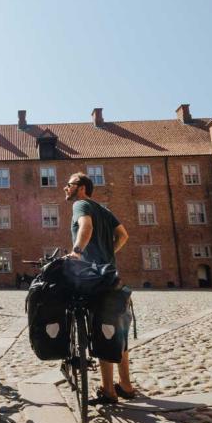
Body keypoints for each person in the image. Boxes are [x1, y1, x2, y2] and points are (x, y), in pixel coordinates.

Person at [64, 172, 135, 404]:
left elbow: (86, 226)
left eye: (69, 184)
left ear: (81, 187)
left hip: (93, 277)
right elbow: (123, 235)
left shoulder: (81, 204)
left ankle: (108, 391)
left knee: (100, 328)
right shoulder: (104, 209)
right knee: (118, 330)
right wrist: (109, 253)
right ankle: (125, 386)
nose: (65, 188)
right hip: (112, 275)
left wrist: (77, 251)